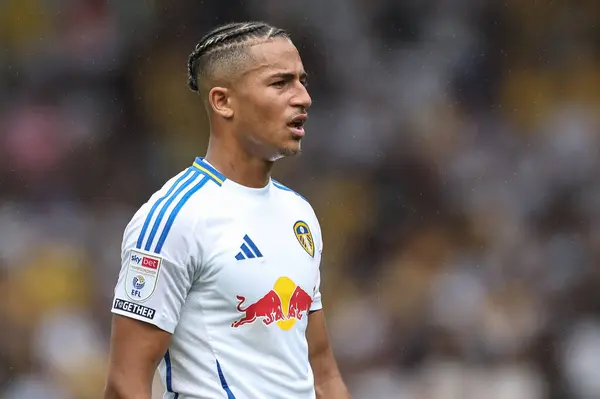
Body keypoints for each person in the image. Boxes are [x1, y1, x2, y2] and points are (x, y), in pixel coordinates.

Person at [104, 21, 350, 399]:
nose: (303, 97)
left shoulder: (300, 214)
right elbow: (126, 383)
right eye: (280, 83)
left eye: (302, 80)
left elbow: (323, 374)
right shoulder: (175, 218)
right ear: (223, 102)